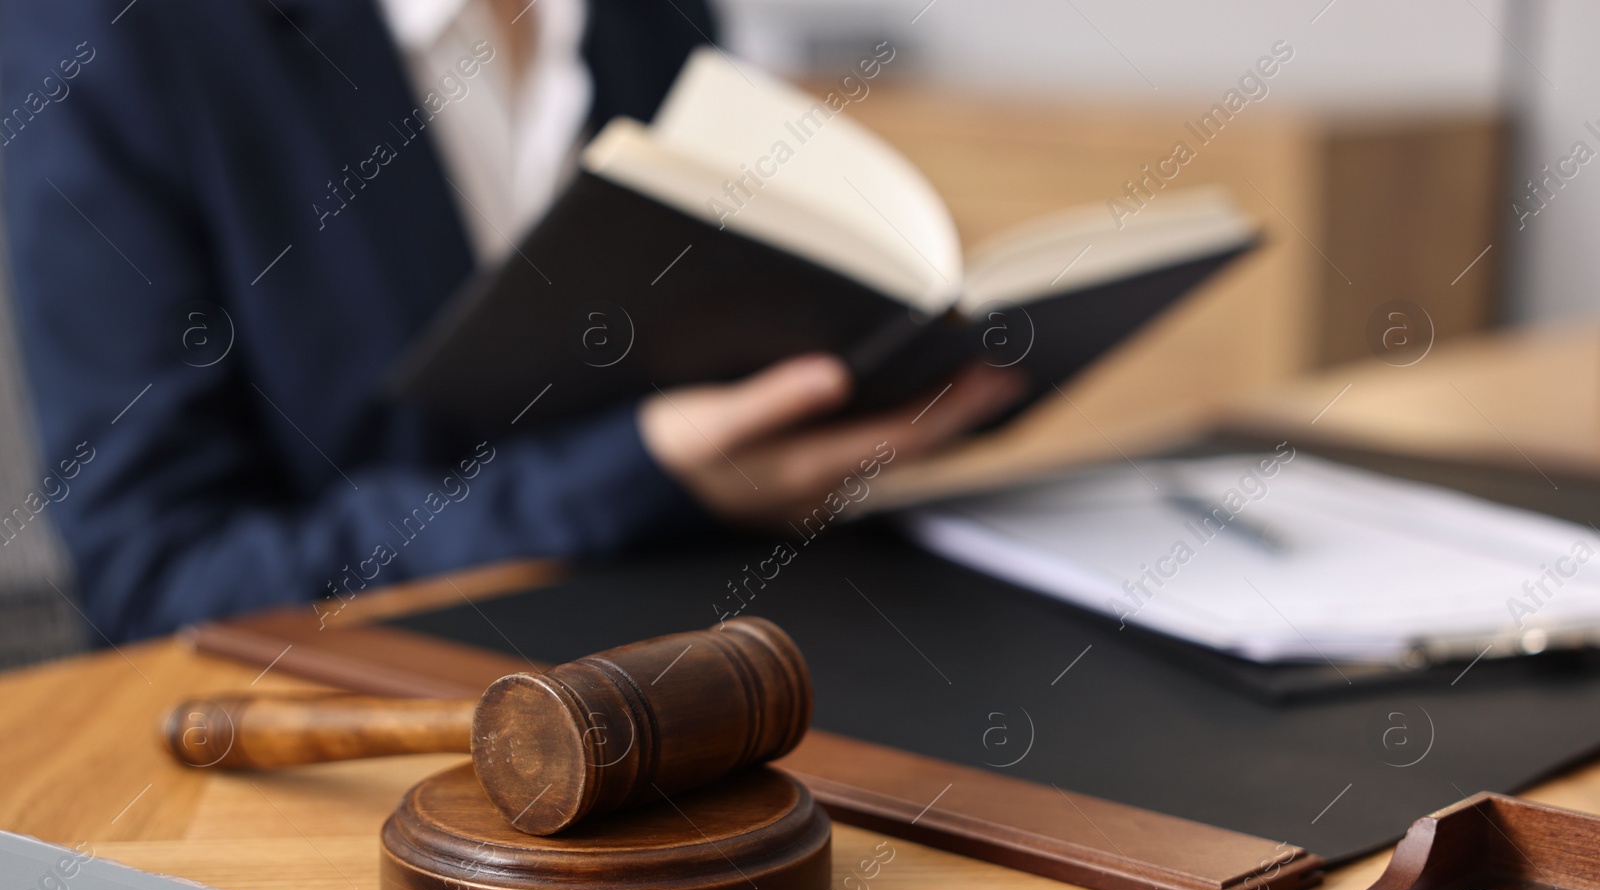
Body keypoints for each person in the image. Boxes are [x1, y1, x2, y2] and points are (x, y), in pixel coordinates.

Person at [0, 0, 1018, 644]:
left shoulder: (646, 21)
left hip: (692, 663)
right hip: (336, 744)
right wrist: (636, 472)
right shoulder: (106, 34)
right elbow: (157, 576)